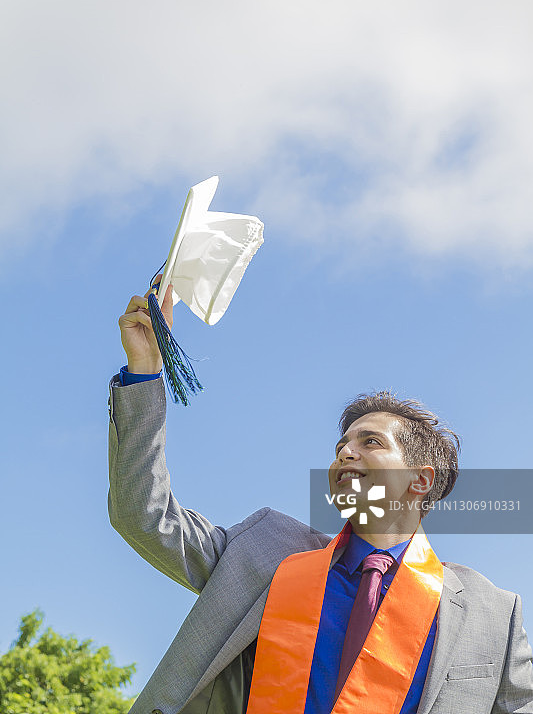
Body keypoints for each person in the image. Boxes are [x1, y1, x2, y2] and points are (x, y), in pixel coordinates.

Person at [108, 278, 533, 714]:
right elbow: (144, 516)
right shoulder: (267, 549)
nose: (346, 452)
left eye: (371, 442)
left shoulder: (490, 613)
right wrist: (145, 370)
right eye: (341, 446)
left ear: (420, 481)